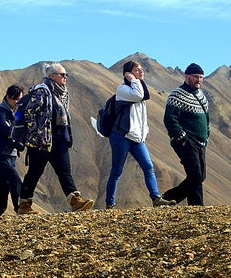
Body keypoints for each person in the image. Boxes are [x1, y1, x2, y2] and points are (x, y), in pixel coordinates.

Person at [18, 62, 94, 214]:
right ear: (52, 76)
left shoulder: (63, 93)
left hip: (59, 140)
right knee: (35, 172)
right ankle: (24, 205)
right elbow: (29, 113)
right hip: (41, 141)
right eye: (62, 75)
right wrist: (37, 133)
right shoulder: (42, 92)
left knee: (64, 171)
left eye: (66, 75)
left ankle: (75, 201)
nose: (65, 77)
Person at [104, 61, 176, 209]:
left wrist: (145, 133)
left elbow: (142, 97)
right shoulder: (123, 89)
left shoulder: (140, 91)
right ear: (128, 73)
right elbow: (137, 95)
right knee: (117, 170)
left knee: (148, 166)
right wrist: (133, 79)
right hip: (121, 136)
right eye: (137, 70)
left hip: (137, 138)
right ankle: (110, 203)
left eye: (142, 69)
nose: (141, 72)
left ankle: (156, 198)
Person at [162, 63, 210, 205]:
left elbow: (206, 118)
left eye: (201, 77)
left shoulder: (201, 96)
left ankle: (168, 199)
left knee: (200, 176)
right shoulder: (177, 95)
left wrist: (207, 134)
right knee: (195, 174)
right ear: (186, 76)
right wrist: (182, 138)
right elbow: (169, 119)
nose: (199, 80)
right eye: (196, 77)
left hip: (201, 143)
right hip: (186, 142)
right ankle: (197, 209)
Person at [0, 85, 25, 218]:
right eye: (16, 99)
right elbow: (6, 130)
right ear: (8, 97)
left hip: (11, 154)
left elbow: (21, 126)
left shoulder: (17, 112)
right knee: (14, 179)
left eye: (20, 99)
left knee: (3, 183)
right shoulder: (0, 112)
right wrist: (16, 140)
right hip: (0, 153)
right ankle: (21, 208)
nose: (18, 102)